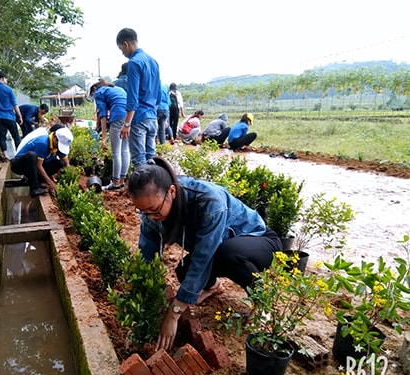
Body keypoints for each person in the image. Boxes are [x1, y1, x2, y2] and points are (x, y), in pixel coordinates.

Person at [126, 156, 282, 351]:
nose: (150, 217)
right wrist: (140, 308)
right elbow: (146, 256)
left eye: (153, 210)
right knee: (183, 272)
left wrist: (173, 313)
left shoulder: (209, 201)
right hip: (219, 248)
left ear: (171, 192)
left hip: (258, 241)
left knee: (227, 253)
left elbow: (203, 256)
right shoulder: (151, 214)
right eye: (143, 212)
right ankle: (213, 286)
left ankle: (263, 301)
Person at [116, 28, 161, 167]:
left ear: (126, 44)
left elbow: (132, 96)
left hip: (139, 118)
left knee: (140, 161)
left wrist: (127, 123)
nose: (122, 53)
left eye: (121, 49)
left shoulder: (134, 63)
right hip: (153, 118)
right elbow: (158, 93)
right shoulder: (153, 61)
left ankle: (142, 189)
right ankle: (154, 188)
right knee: (151, 159)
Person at [88, 79, 130, 190]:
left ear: (94, 89)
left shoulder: (99, 92)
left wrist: (104, 137)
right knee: (125, 150)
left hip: (117, 117)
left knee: (116, 152)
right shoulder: (116, 89)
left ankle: (115, 183)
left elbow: (102, 115)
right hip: (129, 117)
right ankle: (122, 181)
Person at [10, 126, 73, 197]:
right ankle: (34, 188)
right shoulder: (43, 143)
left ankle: (38, 181)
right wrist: (50, 183)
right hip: (19, 165)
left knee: (59, 163)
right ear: (55, 137)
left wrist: (71, 179)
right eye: (59, 145)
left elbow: (66, 163)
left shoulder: (56, 145)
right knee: (31, 155)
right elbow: (38, 166)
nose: (59, 147)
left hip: (32, 167)